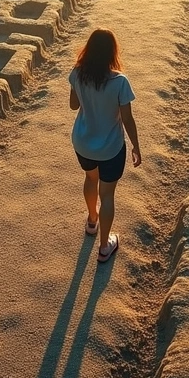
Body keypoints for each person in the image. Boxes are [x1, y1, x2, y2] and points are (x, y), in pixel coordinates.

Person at [69, 28, 141, 263]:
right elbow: (127, 119)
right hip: (110, 148)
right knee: (107, 194)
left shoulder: (77, 73)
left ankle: (92, 221)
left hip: (83, 143)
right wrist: (136, 147)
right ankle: (104, 247)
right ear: (112, 52)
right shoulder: (120, 81)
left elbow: (73, 105)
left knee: (91, 179)